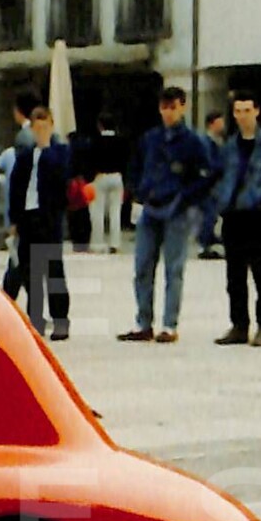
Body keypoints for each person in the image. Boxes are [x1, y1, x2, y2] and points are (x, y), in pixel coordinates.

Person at [120, 86, 214, 344]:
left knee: (174, 268)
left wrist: (186, 197)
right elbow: (135, 166)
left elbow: (207, 175)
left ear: (182, 107)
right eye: (164, 107)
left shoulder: (194, 142)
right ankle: (143, 322)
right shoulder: (150, 138)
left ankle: (169, 325)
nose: (168, 113)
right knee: (142, 266)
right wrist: (138, 191)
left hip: (177, 210)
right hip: (150, 206)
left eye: (173, 107)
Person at [210, 89, 261, 347]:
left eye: (247, 110)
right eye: (238, 111)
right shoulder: (229, 147)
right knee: (234, 275)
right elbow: (217, 176)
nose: (242, 116)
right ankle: (239, 325)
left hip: (257, 214)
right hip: (232, 214)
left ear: (256, 111)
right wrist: (220, 197)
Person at [8, 103, 73, 339]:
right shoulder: (25, 157)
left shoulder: (60, 153)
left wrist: (46, 149)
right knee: (29, 271)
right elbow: (15, 187)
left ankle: (60, 319)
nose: (41, 132)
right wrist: (14, 219)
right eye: (37, 128)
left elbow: (61, 177)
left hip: (49, 217)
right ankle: (35, 318)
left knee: (53, 270)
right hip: (27, 217)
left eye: (44, 127)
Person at [194, 110, 230, 261]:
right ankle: (204, 244)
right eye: (219, 122)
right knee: (208, 214)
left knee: (213, 214)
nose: (222, 125)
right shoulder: (205, 142)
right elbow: (208, 164)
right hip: (208, 185)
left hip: (216, 185)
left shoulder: (219, 142)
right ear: (212, 124)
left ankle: (209, 241)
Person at [89, 118, 129, 254]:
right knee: (115, 211)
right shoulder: (122, 141)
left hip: (101, 176)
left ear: (100, 125)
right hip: (117, 177)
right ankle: (115, 243)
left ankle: (97, 243)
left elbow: (91, 160)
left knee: (98, 211)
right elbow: (126, 161)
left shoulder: (95, 141)